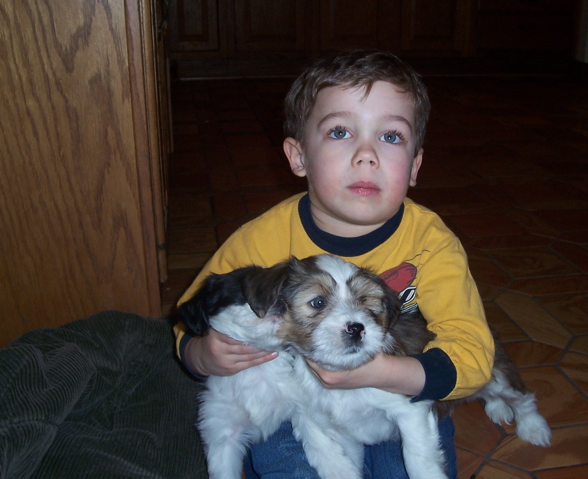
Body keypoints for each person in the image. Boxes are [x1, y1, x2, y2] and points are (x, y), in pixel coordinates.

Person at [174, 50, 495, 479]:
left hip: (404, 393)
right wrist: (201, 353)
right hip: (299, 403)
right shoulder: (259, 240)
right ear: (298, 156)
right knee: (284, 461)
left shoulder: (432, 243)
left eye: (391, 137)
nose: (367, 154)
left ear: (415, 165)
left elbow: (473, 353)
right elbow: (192, 315)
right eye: (341, 132)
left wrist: (387, 373)